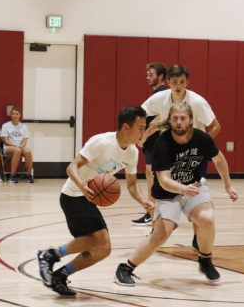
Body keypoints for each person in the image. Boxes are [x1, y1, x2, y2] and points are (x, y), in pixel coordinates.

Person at [32, 106, 154, 296]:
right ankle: (49, 255)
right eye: (140, 127)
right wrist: (81, 184)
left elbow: (132, 185)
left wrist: (144, 202)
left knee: (103, 249)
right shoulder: (101, 142)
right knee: (100, 240)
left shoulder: (132, 153)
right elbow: (72, 167)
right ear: (125, 127)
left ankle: (59, 276)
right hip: (73, 195)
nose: (143, 132)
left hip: (89, 199)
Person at [114, 101, 237, 286]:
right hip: (167, 193)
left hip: (193, 187)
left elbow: (219, 159)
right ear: (170, 120)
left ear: (190, 120)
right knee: (161, 235)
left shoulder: (202, 138)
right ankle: (125, 268)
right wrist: (182, 188)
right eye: (175, 118)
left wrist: (228, 185)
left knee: (207, 219)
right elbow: (163, 179)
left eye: (183, 118)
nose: (179, 122)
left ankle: (205, 260)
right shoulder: (162, 143)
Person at [139, 64, 221, 253]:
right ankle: (156, 231)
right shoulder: (160, 98)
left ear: (187, 83)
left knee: (193, 194)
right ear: (168, 82)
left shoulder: (198, 102)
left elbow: (215, 126)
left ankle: (197, 237)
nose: (178, 85)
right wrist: (142, 134)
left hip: (192, 155)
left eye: (182, 82)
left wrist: (201, 147)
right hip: (169, 152)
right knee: (163, 189)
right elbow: (143, 114)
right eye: (174, 82)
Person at [131, 62, 169, 226]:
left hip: (158, 141)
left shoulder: (163, 94)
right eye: (147, 74)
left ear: (160, 76)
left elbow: (161, 118)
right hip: (153, 142)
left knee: (155, 178)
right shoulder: (157, 95)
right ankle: (154, 211)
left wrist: (145, 136)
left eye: (151, 74)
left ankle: (154, 212)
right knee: (151, 177)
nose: (148, 77)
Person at [1, 106, 34, 183]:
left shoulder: (24, 127)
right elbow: (6, 141)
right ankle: (13, 175)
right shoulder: (5, 126)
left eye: (17, 114)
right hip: (9, 147)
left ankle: (29, 175)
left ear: (20, 115)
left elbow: (25, 141)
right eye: (13, 114)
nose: (15, 116)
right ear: (11, 115)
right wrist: (16, 146)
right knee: (17, 151)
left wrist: (22, 145)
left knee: (28, 151)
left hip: (20, 146)